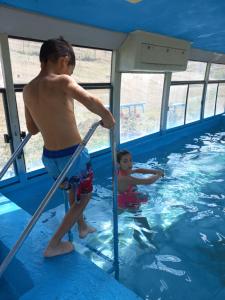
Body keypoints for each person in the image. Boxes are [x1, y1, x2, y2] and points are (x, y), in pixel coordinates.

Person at [23, 37, 115, 258]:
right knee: (85, 195)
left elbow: (32, 129)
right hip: (73, 156)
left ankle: (82, 226)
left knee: (74, 189)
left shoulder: (27, 89)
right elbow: (89, 99)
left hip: (50, 159)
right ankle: (54, 243)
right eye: (70, 69)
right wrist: (107, 118)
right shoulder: (62, 81)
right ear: (64, 60)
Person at [117, 150, 164, 246]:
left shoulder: (124, 170)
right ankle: (152, 242)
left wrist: (154, 171)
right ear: (119, 164)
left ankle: (137, 235)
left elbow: (139, 170)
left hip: (129, 197)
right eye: (125, 161)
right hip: (127, 203)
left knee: (137, 218)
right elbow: (148, 181)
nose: (129, 163)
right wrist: (158, 175)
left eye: (130, 160)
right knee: (142, 220)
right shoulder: (123, 178)